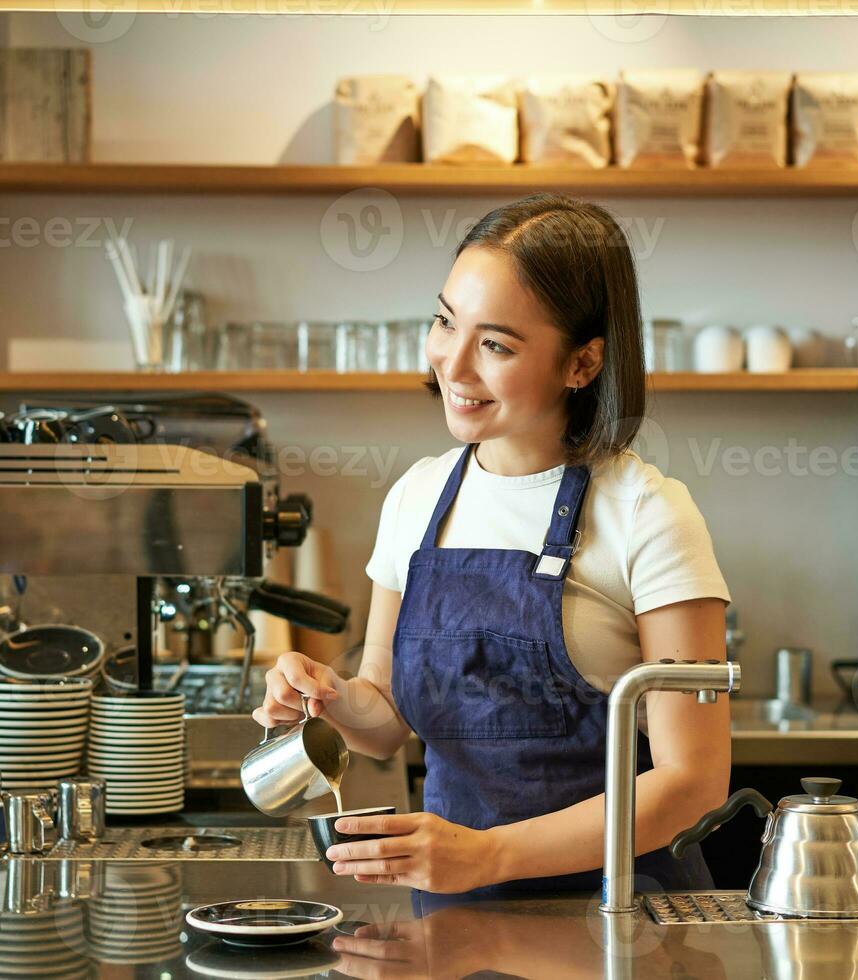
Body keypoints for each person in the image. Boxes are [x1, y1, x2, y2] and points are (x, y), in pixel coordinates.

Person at [253, 193, 732, 898]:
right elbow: (386, 718)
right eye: (445, 322)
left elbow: (691, 783)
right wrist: (328, 696)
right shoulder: (418, 497)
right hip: (455, 920)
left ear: (583, 362)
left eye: (496, 345)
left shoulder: (650, 514)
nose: (453, 363)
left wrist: (488, 855)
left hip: (619, 924)